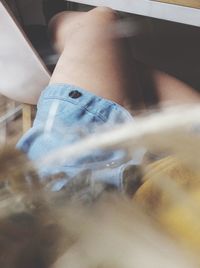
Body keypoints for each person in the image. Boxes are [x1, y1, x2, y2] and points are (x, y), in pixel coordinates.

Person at [17, 7, 200, 192]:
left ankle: (54, 58)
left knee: (118, 61)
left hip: (66, 190)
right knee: (97, 21)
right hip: (69, 179)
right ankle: (52, 55)